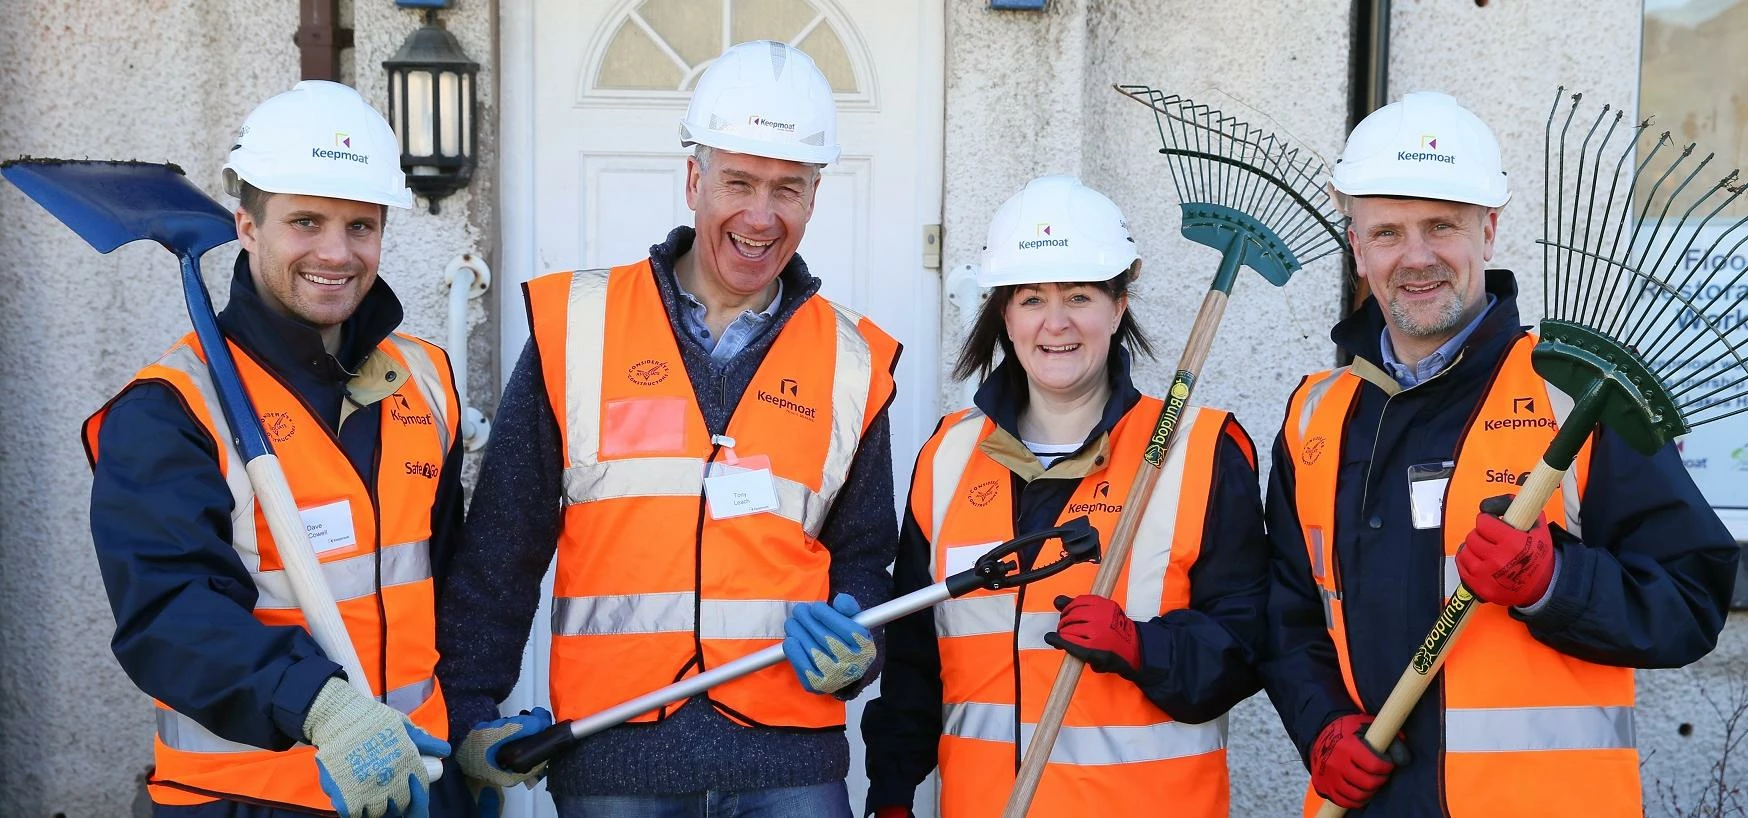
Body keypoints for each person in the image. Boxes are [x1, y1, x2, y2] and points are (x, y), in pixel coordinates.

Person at [435, 40, 901, 817]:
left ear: (814, 199)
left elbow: (864, 561)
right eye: (739, 182)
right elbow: (499, 551)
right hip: (614, 760)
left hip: (790, 765)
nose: (761, 215)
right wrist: (469, 715)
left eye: (787, 188)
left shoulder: (856, 361)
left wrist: (859, 650)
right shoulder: (576, 329)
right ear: (694, 179)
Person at [1260, 91, 1741, 816]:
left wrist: (1557, 583)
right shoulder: (1314, 417)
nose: (1415, 257)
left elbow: (1691, 601)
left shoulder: (1575, 397)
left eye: (1442, 226)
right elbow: (1288, 617)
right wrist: (1320, 725)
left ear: (1488, 231)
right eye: (1387, 231)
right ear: (1355, 244)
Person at [85, 80, 470, 817]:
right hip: (249, 798)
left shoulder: (424, 382)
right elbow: (169, 616)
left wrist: (471, 725)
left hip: (412, 780)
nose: (337, 251)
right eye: (306, 222)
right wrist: (320, 705)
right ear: (248, 226)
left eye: (361, 225)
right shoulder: (173, 408)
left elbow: (449, 580)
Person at [861, 175, 1269, 818]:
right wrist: (890, 793)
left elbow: (1246, 647)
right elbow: (916, 659)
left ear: (1118, 305)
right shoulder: (947, 458)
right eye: (1031, 298)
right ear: (1005, 313)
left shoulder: (1200, 450)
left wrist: (1142, 648)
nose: (1055, 324)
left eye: (1079, 295)